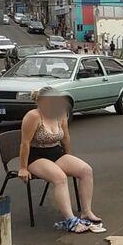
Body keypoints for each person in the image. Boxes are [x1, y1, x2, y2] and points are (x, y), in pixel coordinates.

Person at [19, 87, 103, 233]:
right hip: (36, 155)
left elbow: (65, 137)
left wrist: (69, 156)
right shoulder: (33, 116)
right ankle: (70, 220)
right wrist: (23, 167)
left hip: (56, 152)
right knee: (60, 178)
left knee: (85, 170)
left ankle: (86, 211)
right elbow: (25, 143)